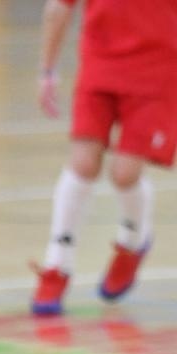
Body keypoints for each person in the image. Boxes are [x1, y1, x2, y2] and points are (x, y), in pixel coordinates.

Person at [30, 0, 177, 315]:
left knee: (124, 173)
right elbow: (58, 7)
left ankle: (133, 241)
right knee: (83, 161)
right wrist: (47, 71)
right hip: (100, 67)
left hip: (157, 73)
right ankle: (57, 264)